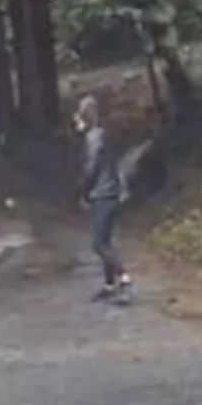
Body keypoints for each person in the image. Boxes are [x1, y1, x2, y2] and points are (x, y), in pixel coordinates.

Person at [75, 94, 132, 301]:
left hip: (102, 194)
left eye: (78, 116)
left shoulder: (93, 139)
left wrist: (84, 191)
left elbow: (91, 168)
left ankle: (123, 275)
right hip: (110, 192)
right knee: (105, 240)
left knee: (99, 243)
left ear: (85, 117)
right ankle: (109, 285)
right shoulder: (102, 135)